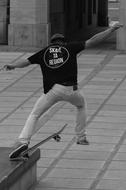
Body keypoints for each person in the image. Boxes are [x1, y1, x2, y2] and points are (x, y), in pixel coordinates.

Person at [3, 22, 122, 159]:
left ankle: (23, 141)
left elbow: (26, 61)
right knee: (81, 105)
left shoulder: (44, 52)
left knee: (35, 114)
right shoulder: (69, 48)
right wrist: (112, 29)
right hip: (71, 89)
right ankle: (81, 137)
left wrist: (13, 65)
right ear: (63, 42)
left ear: (51, 43)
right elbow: (93, 41)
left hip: (52, 91)